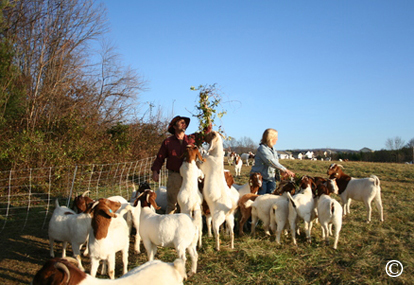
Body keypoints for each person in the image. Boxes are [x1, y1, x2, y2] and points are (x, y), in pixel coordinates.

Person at [151, 115, 210, 214]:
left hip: (189, 176)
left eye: (185, 123)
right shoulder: (168, 142)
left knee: (188, 202)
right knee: (172, 203)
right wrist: (155, 171)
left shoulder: (192, 138)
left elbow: (205, 134)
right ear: (174, 126)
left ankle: (186, 224)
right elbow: (160, 158)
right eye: (181, 122)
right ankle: (169, 225)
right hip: (175, 176)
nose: (184, 124)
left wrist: (207, 118)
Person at [250, 128, 295, 195]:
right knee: (261, 198)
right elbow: (270, 161)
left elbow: (276, 163)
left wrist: (281, 172)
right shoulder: (262, 149)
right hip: (261, 179)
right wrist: (285, 170)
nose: (277, 139)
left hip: (271, 178)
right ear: (270, 138)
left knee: (271, 197)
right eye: (276, 137)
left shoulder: (273, 150)